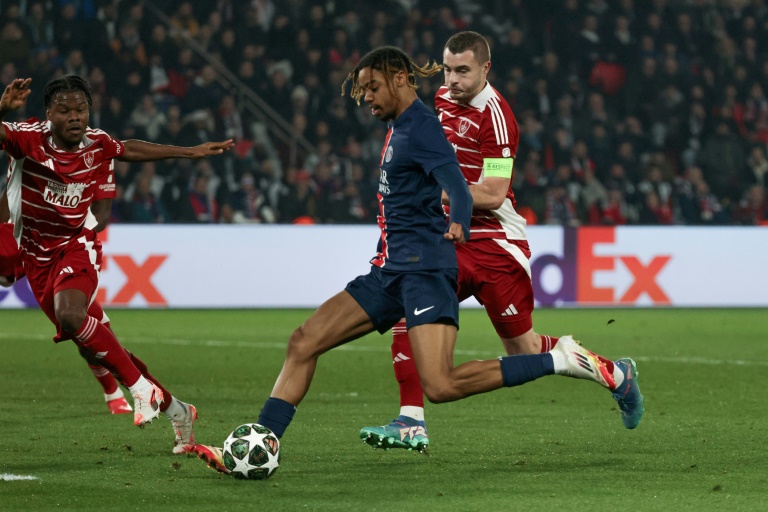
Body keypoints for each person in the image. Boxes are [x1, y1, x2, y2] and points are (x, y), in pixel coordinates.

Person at [194, 46, 617, 475]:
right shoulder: (403, 125)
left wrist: (458, 221)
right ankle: (261, 444)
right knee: (304, 341)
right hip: (391, 270)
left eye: (373, 87)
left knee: (441, 385)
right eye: (363, 91)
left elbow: (453, 176)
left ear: (399, 78)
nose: (368, 98)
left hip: (427, 271)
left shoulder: (423, 127)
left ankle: (558, 359)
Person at [358, 32, 645, 453]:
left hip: (494, 243)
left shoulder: (497, 116)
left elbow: (493, 193)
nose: (452, 80)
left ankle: (615, 375)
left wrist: (427, 192)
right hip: (452, 240)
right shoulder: (438, 101)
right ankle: (410, 421)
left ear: (485, 69)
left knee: (523, 347)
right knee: (409, 302)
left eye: (463, 71)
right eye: (447, 69)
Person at [0, 75, 234, 454]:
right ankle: (179, 411)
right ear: (49, 114)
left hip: (77, 245)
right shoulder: (27, 139)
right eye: (65, 111)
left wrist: (189, 152)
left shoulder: (97, 142)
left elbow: (129, 149)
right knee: (100, 348)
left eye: (81, 110)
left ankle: (140, 391)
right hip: (35, 254)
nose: (75, 117)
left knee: (72, 316)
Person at [0, 191, 132, 415]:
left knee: (83, 327)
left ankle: (117, 392)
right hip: (22, 241)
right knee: (84, 327)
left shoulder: (68, 168)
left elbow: (100, 214)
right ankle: (137, 388)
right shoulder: (26, 167)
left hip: (53, 249)